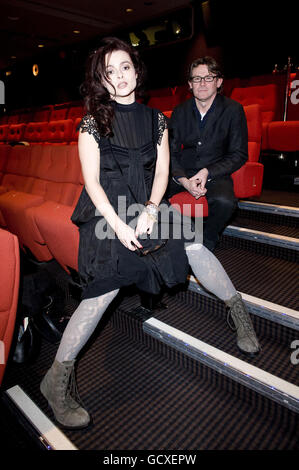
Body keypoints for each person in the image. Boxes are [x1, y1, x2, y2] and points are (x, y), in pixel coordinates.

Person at [40, 38, 260, 431]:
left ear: (137, 72)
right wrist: (120, 223)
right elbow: (91, 182)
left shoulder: (157, 119)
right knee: (103, 285)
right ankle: (56, 378)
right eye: (111, 71)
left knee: (191, 242)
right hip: (107, 210)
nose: (120, 76)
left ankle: (237, 310)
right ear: (102, 80)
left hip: (146, 206)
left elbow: (160, 172)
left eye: (126, 67)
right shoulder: (92, 122)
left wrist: (153, 209)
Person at [167, 56, 248, 252]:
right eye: (197, 78)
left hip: (214, 173)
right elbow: (171, 151)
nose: (202, 83)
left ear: (219, 82)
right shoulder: (179, 111)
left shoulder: (233, 110)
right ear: (189, 84)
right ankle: (166, 243)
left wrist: (207, 172)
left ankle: (208, 240)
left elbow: (239, 153)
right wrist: (183, 179)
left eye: (208, 78)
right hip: (182, 172)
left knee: (225, 202)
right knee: (147, 191)